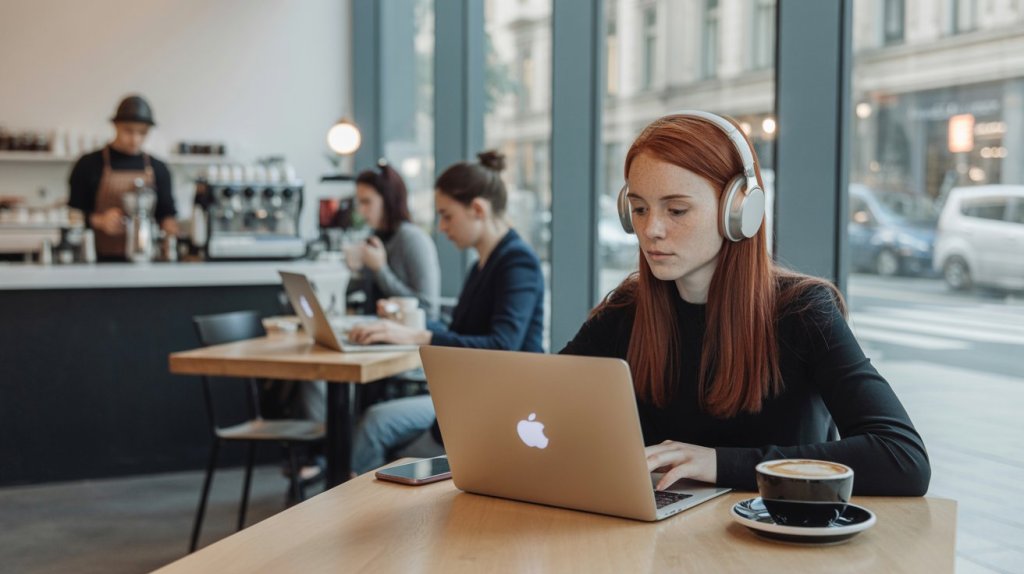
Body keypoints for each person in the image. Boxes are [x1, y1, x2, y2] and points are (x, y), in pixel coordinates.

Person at [560, 111, 930, 496]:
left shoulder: (803, 311)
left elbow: (903, 458)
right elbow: (539, 404)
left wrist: (720, 463)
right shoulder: (626, 311)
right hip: (658, 539)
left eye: (677, 210)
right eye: (639, 209)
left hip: (774, 542)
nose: (651, 229)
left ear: (739, 211)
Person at [346, 150, 545, 475]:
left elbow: (502, 345)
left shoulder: (517, 262)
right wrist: (406, 323)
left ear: (478, 209)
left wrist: (418, 334)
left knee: (377, 433)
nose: (441, 227)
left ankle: (368, 516)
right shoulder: (483, 263)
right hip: (471, 398)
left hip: (499, 406)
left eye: (447, 215)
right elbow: (462, 333)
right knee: (374, 423)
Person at [68, 95, 177, 260]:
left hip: (148, 258)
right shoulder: (88, 164)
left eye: (142, 132)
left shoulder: (159, 168)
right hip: (98, 259)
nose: (135, 139)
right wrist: (100, 221)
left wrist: (171, 230)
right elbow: (73, 215)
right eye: (128, 130)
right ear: (115, 126)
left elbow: (167, 215)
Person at [345, 159, 441, 320]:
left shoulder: (413, 239)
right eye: (359, 203)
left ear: (388, 200)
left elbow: (428, 310)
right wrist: (354, 271)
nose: (361, 211)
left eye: (367, 202)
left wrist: (380, 269)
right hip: (375, 334)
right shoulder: (374, 237)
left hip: (406, 339)